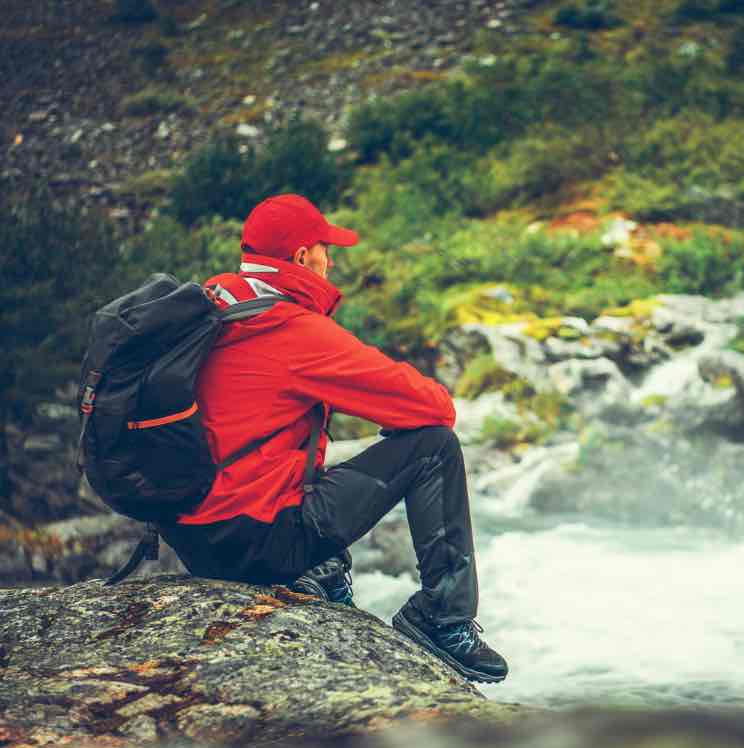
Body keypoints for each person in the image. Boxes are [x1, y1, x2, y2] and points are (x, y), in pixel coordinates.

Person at [159, 193, 507, 684]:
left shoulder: (212, 306)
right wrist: (395, 423)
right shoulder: (290, 329)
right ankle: (442, 617)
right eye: (326, 248)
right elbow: (434, 407)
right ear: (302, 257)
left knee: (290, 463)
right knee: (434, 446)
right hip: (258, 542)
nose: (332, 260)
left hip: (194, 538)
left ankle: (318, 573)